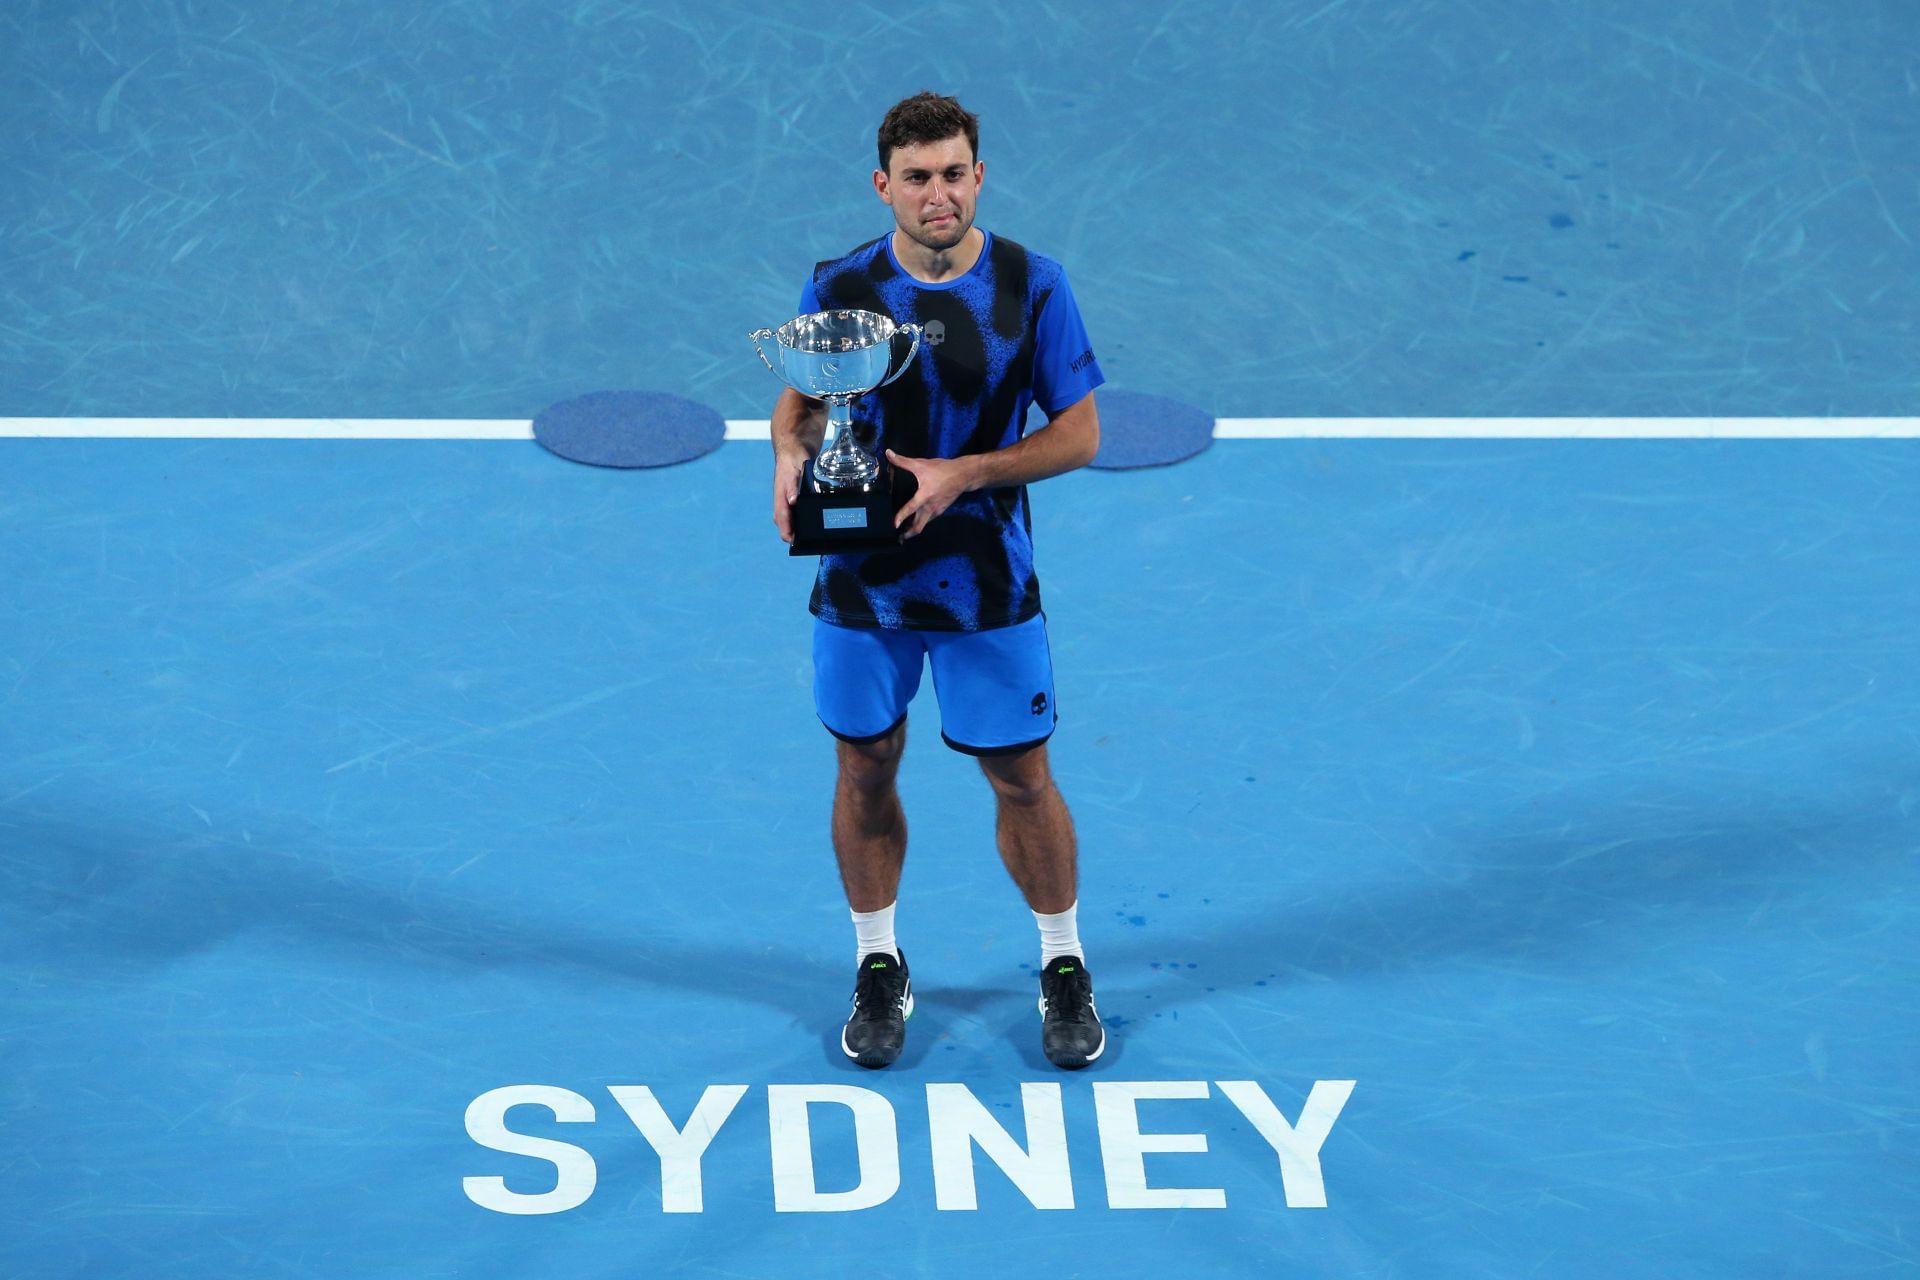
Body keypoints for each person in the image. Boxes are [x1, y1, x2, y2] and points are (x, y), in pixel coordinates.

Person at [769, 92, 1107, 1070]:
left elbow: (1080, 434)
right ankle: (880, 962)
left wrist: (963, 473)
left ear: (978, 176)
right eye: (917, 177)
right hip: (861, 580)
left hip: (985, 582)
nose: (938, 193)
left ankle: (1063, 961)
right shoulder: (840, 283)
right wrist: (787, 460)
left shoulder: (1032, 286)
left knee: (1021, 774)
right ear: (886, 186)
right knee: (865, 761)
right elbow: (794, 411)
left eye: (954, 172)